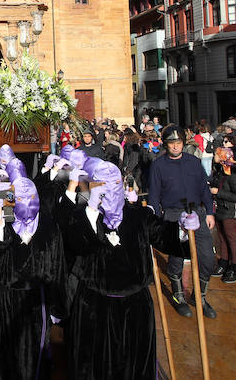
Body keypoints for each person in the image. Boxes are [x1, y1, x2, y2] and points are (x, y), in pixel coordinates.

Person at [57, 161, 182, 379]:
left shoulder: (139, 217)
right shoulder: (81, 217)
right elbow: (76, 243)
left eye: (114, 182)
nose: (108, 189)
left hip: (135, 308)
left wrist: (182, 229)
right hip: (94, 306)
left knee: (132, 364)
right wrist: (92, 210)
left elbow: (163, 235)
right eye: (101, 183)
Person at [0, 173, 67, 380]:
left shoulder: (49, 228)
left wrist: (56, 308)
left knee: (31, 355)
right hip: (3, 298)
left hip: (34, 301)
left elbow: (57, 266)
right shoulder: (5, 221)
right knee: (1, 352)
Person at [147, 124, 216, 319]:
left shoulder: (193, 162)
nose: (175, 147)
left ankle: (200, 296)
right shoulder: (158, 165)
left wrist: (209, 212)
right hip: (173, 214)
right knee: (176, 258)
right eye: (171, 143)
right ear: (166, 145)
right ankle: (178, 296)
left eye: (178, 143)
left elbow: (204, 188)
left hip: (197, 213)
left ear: (183, 143)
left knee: (207, 258)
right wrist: (156, 219)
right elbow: (154, 194)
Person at [210, 147, 236, 283]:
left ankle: (235, 268)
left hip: (231, 211)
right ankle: (223, 263)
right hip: (221, 209)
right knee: (222, 238)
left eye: (217, 154)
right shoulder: (221, 171)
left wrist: (217, 192)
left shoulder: (234, 174)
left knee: (232, 240)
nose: (214, 156)